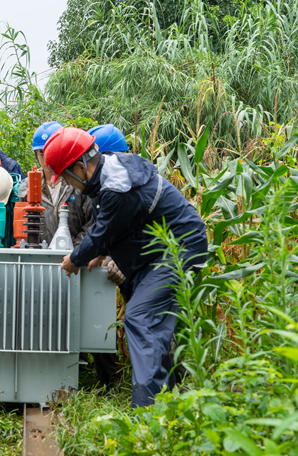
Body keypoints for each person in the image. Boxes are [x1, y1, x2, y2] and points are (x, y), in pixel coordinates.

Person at [43, 127, 207, 409]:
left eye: (68, 178)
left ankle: (146, 413)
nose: (70, 185)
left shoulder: (116, 186)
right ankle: (171, 404)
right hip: (156, 252)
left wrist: (77, 259)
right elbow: (121, 227)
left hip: (179, 248)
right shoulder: (106, 176)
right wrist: (101, 251)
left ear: (81, 167)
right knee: (154, 326)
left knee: (140, 317)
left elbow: (102, 231)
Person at [19, 121, 93, 247]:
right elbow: (22, 227)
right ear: (36, 155)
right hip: (40, 258)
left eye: (52, 150)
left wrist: (76, 251)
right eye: (42, 153)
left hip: (76, 258)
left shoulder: (78, 182)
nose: (48, 158)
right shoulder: (27, 188)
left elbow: (92, 223)